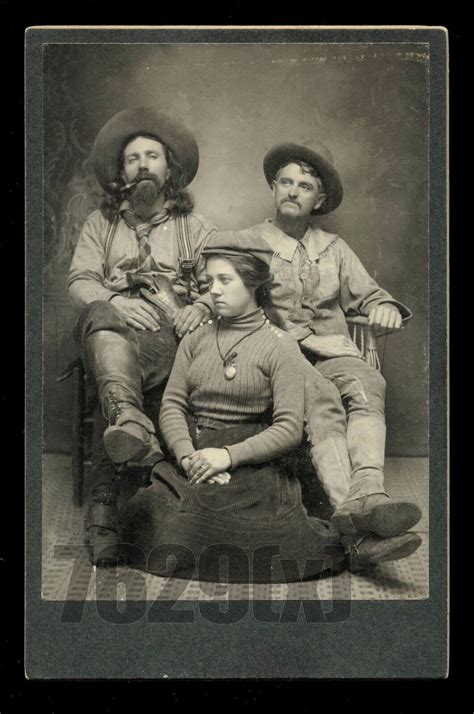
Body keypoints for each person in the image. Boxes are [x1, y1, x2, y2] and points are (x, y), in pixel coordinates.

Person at [116, 231, 421, 583]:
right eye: (208, 281)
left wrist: (227, 456)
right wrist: (188, 457)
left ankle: (359, 516)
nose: (212, 290)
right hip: (198, 453)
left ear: (253, 284)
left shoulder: (279, 345)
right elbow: (172, 405)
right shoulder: (196, 339)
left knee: (273, 537)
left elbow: (288, 428)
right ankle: (357, 535)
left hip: (250, 456)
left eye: (224, 281)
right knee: (159, 521)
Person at [246, 140, 422, 539]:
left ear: (319, 198)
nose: (292, 191)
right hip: (278, 356)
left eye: (304, 186)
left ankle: (368, 489)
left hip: (332, 351)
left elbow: (372, 295)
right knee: (322, 400)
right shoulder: (249, 243)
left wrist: (385, 308)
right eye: (285, 182)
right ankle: (354, 515)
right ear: (274, 187)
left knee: (368, 381)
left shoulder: (334, 249)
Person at [67, 106, 216, 564]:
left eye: (153, 156)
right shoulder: (100, 224)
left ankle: (104, 520)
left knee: (112, 384)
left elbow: (226, 284)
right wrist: (115, 303)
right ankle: (127, 421)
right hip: (111, 332)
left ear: (169, 168)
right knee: (99, 320)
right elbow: (80, 281)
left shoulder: (196, 228)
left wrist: (202, 306)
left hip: (171, 343)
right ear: (121, 173)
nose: (143, 164)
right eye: (133, 158)